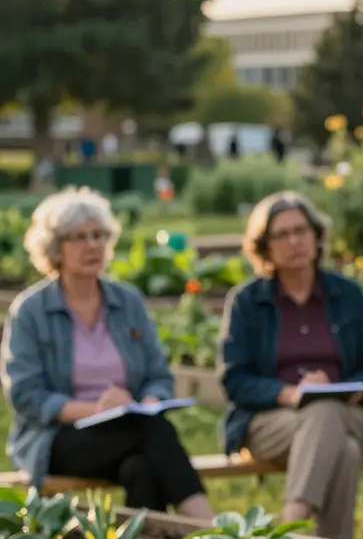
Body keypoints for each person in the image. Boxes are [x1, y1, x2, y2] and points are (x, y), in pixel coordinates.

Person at [0, 188, 214, 518]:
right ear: (55, 248)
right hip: (56, 439)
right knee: (152, 431)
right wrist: (94, 410)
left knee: (142, 467)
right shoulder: (30, 310)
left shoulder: (127, 301)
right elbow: (26, 396)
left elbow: (158, 375)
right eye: (80, 237)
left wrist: (151, 402)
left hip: (129, 431)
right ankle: (211, 529)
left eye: (99, 235)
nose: (92, 245)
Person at [218, 191, 363, 539]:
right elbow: (234, 379)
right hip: (270, 419)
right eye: (282, 234)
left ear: (316, 235)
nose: (294, 241)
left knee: (326, 409)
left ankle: (286, 533)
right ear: (264, 246)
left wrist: (353, 389)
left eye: (301, 230)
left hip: (347, 410)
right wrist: (289, 393)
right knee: (345, 449)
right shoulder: (247, 301)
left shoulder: (347, 294)